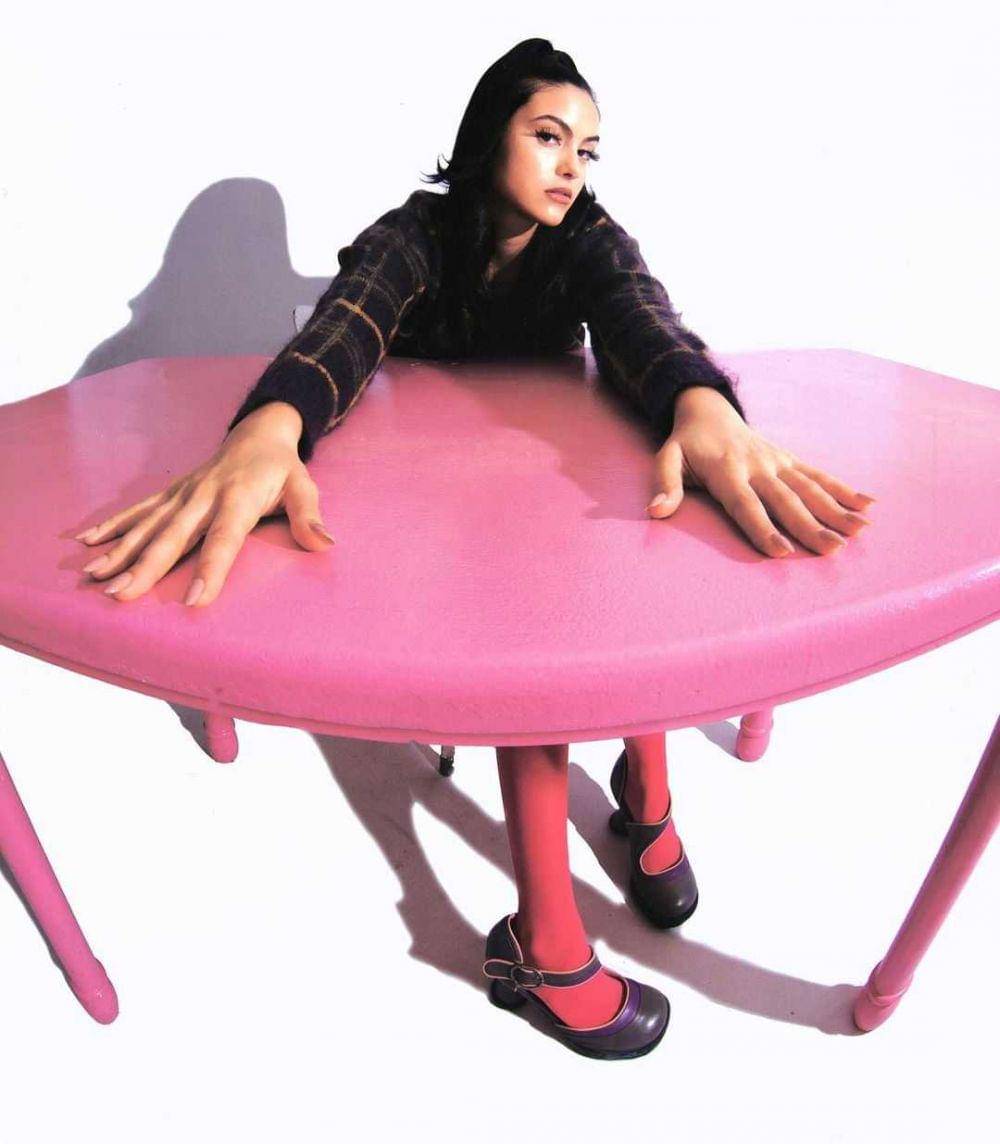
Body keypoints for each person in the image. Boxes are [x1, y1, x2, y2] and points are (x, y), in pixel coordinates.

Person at [74, 39, 875, 1059]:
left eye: (587, 149)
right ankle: (545, 949)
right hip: (441, 513)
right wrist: (272, 425)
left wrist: (701, 403)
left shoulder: (587, 238)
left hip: (558, 491)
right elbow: (346, 324)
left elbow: (642, 316)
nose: (570, 166)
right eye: (547, 136)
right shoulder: (416, 233)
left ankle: (647, 794)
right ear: (486, 135)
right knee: (538, 651)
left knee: (638, 583)